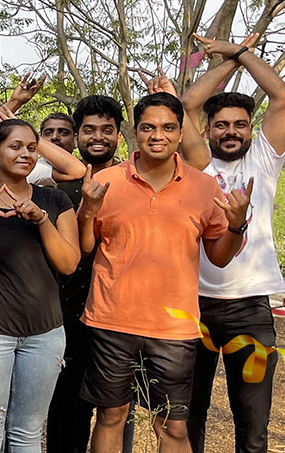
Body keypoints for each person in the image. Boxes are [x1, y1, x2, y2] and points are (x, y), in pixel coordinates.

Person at [79, 92, 248, 453]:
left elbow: (219, 257)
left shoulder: (204, 187)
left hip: (174, 327)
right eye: (149, 127)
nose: (158, 135)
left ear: (181, 132)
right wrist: (87, 211)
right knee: (111, 415)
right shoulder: (107, 181)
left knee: (171, 426)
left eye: (168, 127)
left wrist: (236, 225)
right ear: (135, 132)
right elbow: (85, 246)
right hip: (111, 321)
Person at [178, 33, 284, 453]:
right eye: (221, 124)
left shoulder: (264, 159)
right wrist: (229, 60)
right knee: (189, 415)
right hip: (195, 307)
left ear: (251, 129)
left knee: (252, 421)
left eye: (240, 124)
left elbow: (280, 96)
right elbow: (186, 104)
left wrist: (240, 52)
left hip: (250, 310)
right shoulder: (199, 164)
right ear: (207, 130)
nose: (231, 131)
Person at [0, 119, 80, 452]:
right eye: (15, 146)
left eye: (31, 147)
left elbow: (68, 263)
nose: (25, 153)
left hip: (45, 334)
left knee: (28, 432)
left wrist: (41, 220)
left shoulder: (54, 201)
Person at [45, 95, 131, 453]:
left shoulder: (134, 183)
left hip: (122, 315)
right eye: (89, 130)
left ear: (119, 136)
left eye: (106, 130)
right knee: (67, 410)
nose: (98, 137)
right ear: (77, 136)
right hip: (68, 314)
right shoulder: (56, 190)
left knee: (118, 412)